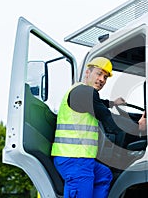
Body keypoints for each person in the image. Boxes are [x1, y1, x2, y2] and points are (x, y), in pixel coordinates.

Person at [51, 57, 130, 198]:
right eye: (99, 74)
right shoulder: (84, 92)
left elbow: (98, 103)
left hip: (81, 159)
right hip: (74, 159)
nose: (102, 80)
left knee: (104, 176)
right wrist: (138, 127)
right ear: (88, 72)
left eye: (105, 77)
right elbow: (107, 118)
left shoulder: (79, 92)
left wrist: (113, 103)